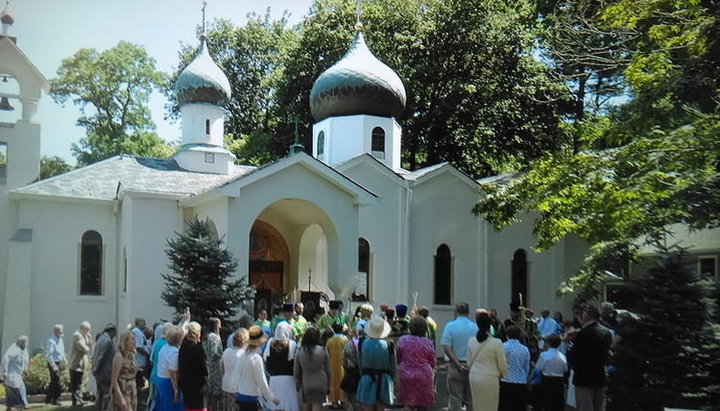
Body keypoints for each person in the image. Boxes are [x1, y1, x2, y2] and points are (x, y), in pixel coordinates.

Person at [567, 306, 612, 411]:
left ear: (586, 315)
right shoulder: (606, 332)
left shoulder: (583, 334)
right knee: (598, 407)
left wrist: (570, 343)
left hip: (583, 377)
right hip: (600, 375)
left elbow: (573, 355)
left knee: (585, 407)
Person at [467, 312, 507, 411]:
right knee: (490, 406)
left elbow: (469, 362)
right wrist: (504, 373)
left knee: (477, 405)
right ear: (490, 326)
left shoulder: (471, 341)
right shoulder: (496, 343)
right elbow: (502, 364)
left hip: (474, 375)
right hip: (490, 376)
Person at [440, 302, 477, 411]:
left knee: (455, 398)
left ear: (455, 312)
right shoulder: (475, 327)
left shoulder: (450, 326)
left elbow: (447, 348)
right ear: (468, 312)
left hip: (455, 366)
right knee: (471, 399)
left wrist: (458, 365)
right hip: (471, 366)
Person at [396, 316, 436, 411]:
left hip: (407, 373)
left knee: (408, 403)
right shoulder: (428, 342)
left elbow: (398, 357)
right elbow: (432, 361)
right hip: (424, 375)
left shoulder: (403, 340)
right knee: (423, 404)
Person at [235, 325, 279, 411]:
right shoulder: (256, 358)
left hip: (241, 395)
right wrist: (272, 398)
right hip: (251, 397)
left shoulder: (242, 355)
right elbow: (261, 381)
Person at [356, 317, 395, 410]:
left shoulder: (362, 343)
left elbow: (359, 362)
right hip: (384, 379)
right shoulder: (389, 344)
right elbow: (393, 365)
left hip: (367, 378)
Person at [263, 321, 300, 411]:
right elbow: (296, 360)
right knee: (288, 406)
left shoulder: (269, 343)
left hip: (274, 379)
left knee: (275, 406)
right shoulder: (292, 344)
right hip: (288, 379)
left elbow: (265, 358)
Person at [294, 326, 329, 411]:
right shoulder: (323, 350)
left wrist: (297, 382)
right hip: (321, 382)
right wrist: (329, 385)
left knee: (306, 404)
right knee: (317, 404)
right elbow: (328, 370)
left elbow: (296, 369)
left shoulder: (300, 351)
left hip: (306, 382)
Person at [178, 322, 208, 411]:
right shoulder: (198, 348)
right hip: (198, 385)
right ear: (197, 333)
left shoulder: (182, 347)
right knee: (199, 407)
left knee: (188, 407)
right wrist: (207, 381)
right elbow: (203, 367)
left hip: (185, 383)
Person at [499, 326, 529, 411]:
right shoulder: (525, 349)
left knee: (505, 406)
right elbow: (526, 367)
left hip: (506, 380)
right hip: (521, 381)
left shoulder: (503, 346)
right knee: (519, 407)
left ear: (507, 335)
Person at [536, 334, 567, 411]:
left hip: (547, 381)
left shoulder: (544, 355)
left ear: (549, 343)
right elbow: (565, 370)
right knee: (558, 404)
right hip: (559, 381)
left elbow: (538, 368)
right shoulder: (563, 356)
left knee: (548, 403)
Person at [156, 326, 184, 411]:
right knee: (171, 406)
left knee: (162, 405)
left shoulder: (164, 347)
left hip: (160, 378)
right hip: (168, 382)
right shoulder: (174, 352)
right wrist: (175, 390)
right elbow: (173, 372)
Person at [110, 331, 139, 411]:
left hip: (133, 391)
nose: (135, 342)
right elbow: (114, 380)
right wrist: (120, 398)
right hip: (123, 391)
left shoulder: (132, 354)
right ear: (125, 341)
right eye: (132, 339)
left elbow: (134, 371)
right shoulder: (119, 357)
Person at [221, 328, 248, 411]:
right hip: (239, 389)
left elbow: (222, 368)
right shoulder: (245, 354)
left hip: (226, 386)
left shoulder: (226, 351)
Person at [1, 335, 30, 411]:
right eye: (25, 343)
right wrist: (4, 372)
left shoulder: (24, 350)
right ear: (21, 343)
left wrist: (25, 370)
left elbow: (25, 361)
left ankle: (23, 405)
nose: (26, 345)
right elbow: (5, 360)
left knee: (21, 390)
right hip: (11, 376)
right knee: (16, 400)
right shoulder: (13, 350)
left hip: (18, 376)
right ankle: (20, 406)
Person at [94, 324, 118, 411]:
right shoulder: (107, 341)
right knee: (107, 396)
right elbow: (101, 357)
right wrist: (97, 368)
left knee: (99, 395)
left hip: (99, 373)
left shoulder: (100, 338)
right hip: (105, 373)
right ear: (112, 332)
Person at [69, 321, 93, 406]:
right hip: (75, 364)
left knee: (79, 382)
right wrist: (87, 347)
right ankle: (76, 401)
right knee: (76, 383)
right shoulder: (77, 335)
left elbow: (90, 345)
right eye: (87, 329)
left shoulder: (85, 335)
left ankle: (78, 400)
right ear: (82, 328)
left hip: (81, 364)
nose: (88, 331)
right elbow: (83, 348)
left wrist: (89, 339)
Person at [326, 323, 348, 408]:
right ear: (342, 330)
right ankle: (342, 400)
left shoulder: (330, 340)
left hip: (332, 364)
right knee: (342, 380)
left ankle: (334, 402)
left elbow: (327, 353)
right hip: (342, 364)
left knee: (333, 382)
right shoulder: (345, 339)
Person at [203, 317, 224, 411]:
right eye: (219, 324)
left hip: (206, 366)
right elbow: (215, 353)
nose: (220, 326)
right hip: (215, 368)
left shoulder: (206, 336)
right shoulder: (215, 337)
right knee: (215, 394)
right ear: (216, 325)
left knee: (208, 393)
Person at [44, 324, 67, 405]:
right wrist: (53, 366)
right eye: (60, 330)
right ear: (56, 331)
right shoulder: (51, 341)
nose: (62, 332)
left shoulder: (60, 340)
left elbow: (62, 352)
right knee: (57, 381)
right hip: (53, 362)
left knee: (54, 381)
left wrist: (65, 361)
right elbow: (49, 354)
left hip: (59, 362)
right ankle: (56, 399)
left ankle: (48, 399)